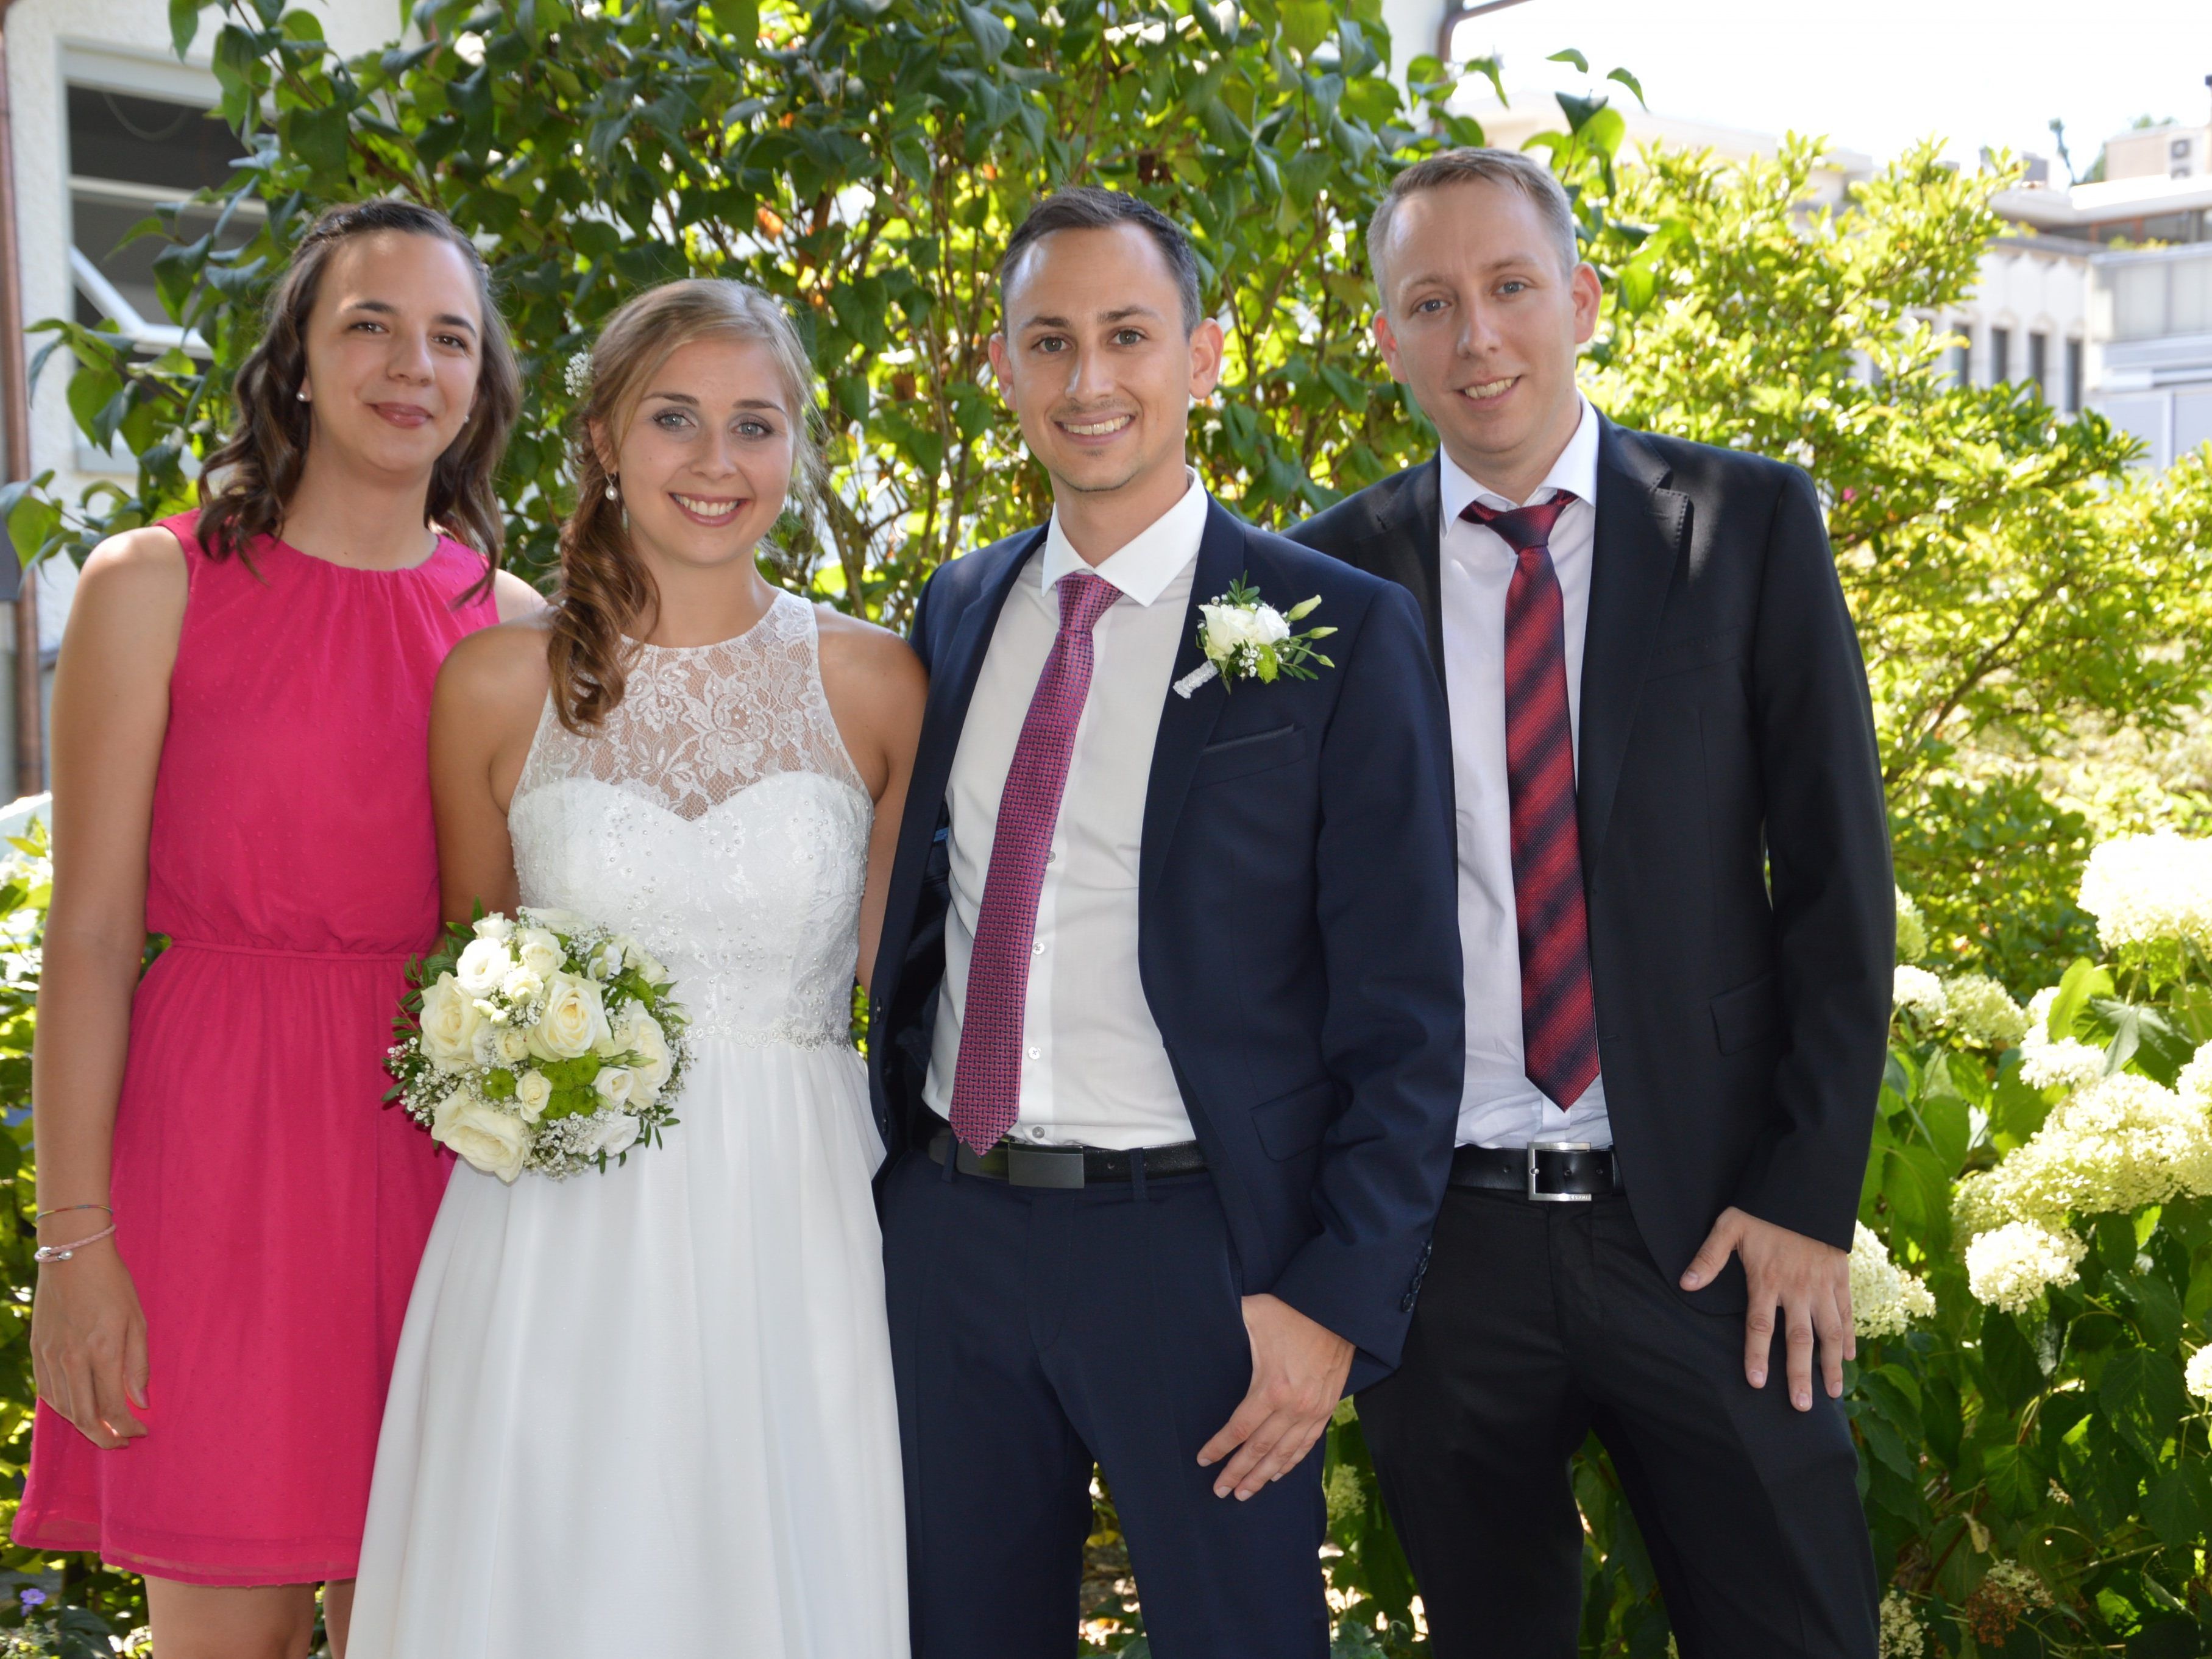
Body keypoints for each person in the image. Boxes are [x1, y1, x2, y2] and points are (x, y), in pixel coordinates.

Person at [1288, 147, 1893, 1658]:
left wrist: (1806, 1204)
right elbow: (1286, 932)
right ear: (1387, 337)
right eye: (1431, 303)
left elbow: (1837, 882)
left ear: (1584, 299)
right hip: (1446, 1249)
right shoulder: (1323, 579)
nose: (1476, 336)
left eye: (1508, 289)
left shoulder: (1745, 526)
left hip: (1709, 1235)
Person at [866, 186, 1463, 1659]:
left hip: (1201, 1256)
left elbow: (1407, 1006)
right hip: (952, 1231)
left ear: (1201, 357)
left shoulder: (1337, 628)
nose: (1088, 381)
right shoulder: (955, 608)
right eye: (1048, 341)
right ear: (1000, 368)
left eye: (1127, 335)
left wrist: (1332, 1302)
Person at [346, 278, 924, 1659]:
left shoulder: (877, 683)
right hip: (560, 1226)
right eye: (675, 420)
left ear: (800, 447)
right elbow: (473, 961)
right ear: (605, 437)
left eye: (755, 425)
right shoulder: (495, 685)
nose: (716, 463)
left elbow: (899, 987)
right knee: (558, 1570)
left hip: (799, 1214)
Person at [16, 200, 535, 1659]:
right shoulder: (153, 586)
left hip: (444, 1179)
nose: (408, 364)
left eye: (449, 337)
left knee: (433, 1627)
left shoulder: (514, 628)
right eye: (368, 324)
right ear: (298, 363)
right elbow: (96, 936)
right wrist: (74, 1242)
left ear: (481, 385)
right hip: (215, 1169)